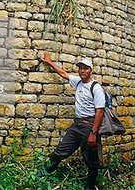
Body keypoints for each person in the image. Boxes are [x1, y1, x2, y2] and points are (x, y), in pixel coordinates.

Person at [39, 52, 105, 190]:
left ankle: (90, 185)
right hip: (77, 125)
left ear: (91, 70)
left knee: (91, 159)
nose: (82, 70)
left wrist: (93, 133)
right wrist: (49, 62)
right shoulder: (78, 82)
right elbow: (63, 74)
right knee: (61, 150)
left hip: (89, 126)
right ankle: (43, 174)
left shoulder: (96, 88)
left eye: (86, 68)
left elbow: (100, 111)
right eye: (80, 68)